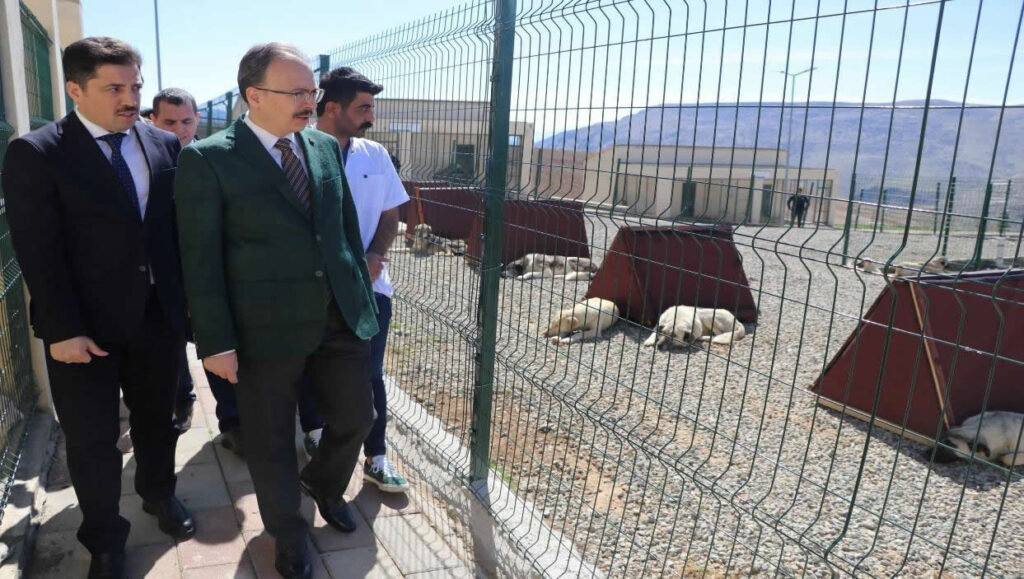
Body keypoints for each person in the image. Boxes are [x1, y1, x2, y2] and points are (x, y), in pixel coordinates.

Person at [175, 43, 378, 579]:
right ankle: (287, 535)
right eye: (297, 92)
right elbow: (200, 260)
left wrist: (361, 300)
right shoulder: (208, 159)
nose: (310, 101)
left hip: (337, 316)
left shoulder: (323, 146)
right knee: (270, 443)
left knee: (357, 417)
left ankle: (324, 484)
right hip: (261, 329)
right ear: (255, 95)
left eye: (312, 90)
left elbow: (344, 232)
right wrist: (215, 342)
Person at [1, 37, 195, 578]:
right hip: (82, 331)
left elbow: (172, 233)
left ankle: (159, 494)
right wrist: (63, 329)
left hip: (155, 318)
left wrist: (184, 309)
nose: (130, 98)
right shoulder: (37, 152)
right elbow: (37, 250)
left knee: (158, 422)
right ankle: (105, 539)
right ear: (75, 89)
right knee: (91, 441)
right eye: (113, 88)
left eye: (134, 86)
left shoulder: (163, 144)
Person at [314, 66, 410, 493]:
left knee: (370, 372)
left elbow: (391, 211)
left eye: (372, 107)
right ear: (333, 108)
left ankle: (377, 457)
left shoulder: (375, 155)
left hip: (370, 288)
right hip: (313, 289)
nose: (371, 116)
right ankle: (314, 432)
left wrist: (376, 255)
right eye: (363, 108)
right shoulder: (297, 151)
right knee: (310, 366)